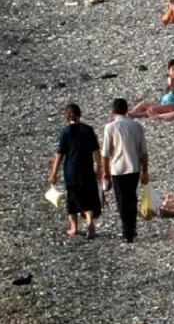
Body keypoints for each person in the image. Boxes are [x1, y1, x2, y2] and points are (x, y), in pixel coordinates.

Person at [48, 103, 102, 238]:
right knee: (88, 197)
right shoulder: (88, 130)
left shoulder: (65, 132)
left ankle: (74, 227)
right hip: (87, 169)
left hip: (71, 170)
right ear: (79, 114)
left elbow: (60, 154)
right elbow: (96, 151)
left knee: (72, 198)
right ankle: (89, 221)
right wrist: (99, 168)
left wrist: (53, 173)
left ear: (67, 116)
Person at [101, 98, 149, 243]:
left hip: (118, 169)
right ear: (127, 110)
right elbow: (143, 151)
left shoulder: (110, 127)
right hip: (134, 167)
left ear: (113, 111)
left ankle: (126, 231)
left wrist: (105, 173)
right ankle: (132, 228)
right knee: (132, 198)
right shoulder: (137, 126)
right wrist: (145, 170)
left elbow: (105, 154)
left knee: (122, 200)